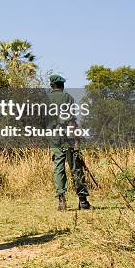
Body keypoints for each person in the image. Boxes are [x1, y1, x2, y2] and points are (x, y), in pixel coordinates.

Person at [47, 74, 91, 211]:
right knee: (76, 167)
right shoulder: (69, 98)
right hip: (69, 137)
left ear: (51, 85)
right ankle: (83, 201)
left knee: (58, 168)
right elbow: (72, 121)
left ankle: (61, 201)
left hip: (54, 138)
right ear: (62, 85)